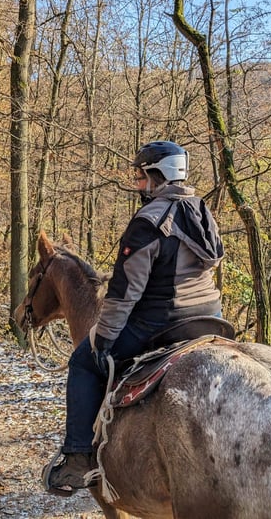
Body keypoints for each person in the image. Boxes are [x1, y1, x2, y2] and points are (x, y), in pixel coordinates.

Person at [43, 140, 224, 496]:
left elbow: (126, 292)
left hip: (161, 321)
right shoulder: (201, 211)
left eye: (142, 177)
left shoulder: (148, 222)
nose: (139, 185)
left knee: (82, 362)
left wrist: (103, 337)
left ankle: (78, 458)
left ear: (159, 176)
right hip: (209, 316)